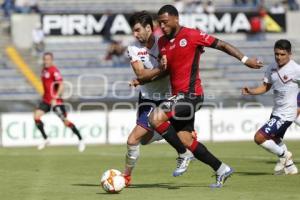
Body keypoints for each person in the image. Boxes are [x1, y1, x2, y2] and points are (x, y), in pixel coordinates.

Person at [149, 4, 263, 188]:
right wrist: (150, 75)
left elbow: (222, 44)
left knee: (155, 118)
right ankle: (221, 169)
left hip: (192, 95)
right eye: (160, 23)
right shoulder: (162, 42)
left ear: (176, 19)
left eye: (165, 22)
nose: (162, 27)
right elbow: (168, 70)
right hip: (178, 97)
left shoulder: (192, 35)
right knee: (186, 139)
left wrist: (245, 60)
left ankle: (183, 154)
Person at [123, 11, 195, 186]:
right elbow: (141, 73)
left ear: (149, 27)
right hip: (147, 98)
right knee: (146, 140)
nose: (135, 34)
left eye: (138, 30)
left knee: (132, 140)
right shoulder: (133, 48)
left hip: (167, 97)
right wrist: (159, 72)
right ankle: (167, 129)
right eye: (133, 31)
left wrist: (149, 76)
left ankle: (126, 177)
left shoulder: (164, 43)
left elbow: (172, 69)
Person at [242, 39, 299, 175]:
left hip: (287, 113)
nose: (279, 57)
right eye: (276, 54)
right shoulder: (271, 68)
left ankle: (285, 155)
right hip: (276, 111)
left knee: (259, 138)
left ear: (289, 54)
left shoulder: (296, 70)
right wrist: (251, 91)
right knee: (275, 139)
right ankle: (290, 168)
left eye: (282, 54)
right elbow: (265, 87)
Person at [34, 52, 85, 152]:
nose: (46, 61)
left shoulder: (54, 70)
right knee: (36, 116)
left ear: (51, 60)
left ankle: (81, 139)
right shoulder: (44, 70)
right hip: (46, 100)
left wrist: (55, 97)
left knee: (65, 121)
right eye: (45, 59)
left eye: (48, 59)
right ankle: (46, 138)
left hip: (55, 101)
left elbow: (61, 85)